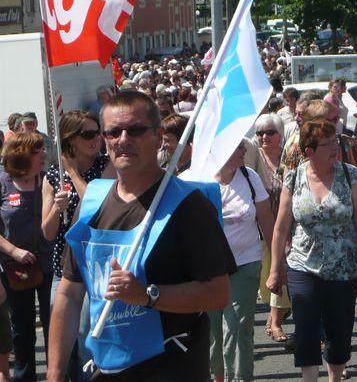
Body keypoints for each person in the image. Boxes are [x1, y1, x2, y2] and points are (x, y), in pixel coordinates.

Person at [48, 91, 236, 381]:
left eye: (135, 130)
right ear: (104, 139)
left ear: (158, 136)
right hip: (106, 367)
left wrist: (146, 295)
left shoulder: (189, 204)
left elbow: (218, 293)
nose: (123, 139)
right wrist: (55, 374)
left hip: (172, 366)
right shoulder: (92, 203)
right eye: (113, 132)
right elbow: (70, 295)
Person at [267, 121, 357, 382]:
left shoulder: (350, 175)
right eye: (328, 144)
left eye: (335, 141)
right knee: (305, 325)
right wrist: (274, 269)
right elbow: (280, 228)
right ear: (309, 151)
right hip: (303, 265)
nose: (335, 147)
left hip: (343, 267)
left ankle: (335, 376)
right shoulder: (293, 177)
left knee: (339, 331)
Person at [41, 110, 115, 382]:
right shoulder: (52, 175)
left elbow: (100, 206)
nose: (96, 139)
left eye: (98, 132)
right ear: (70, 139)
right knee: (61, 341)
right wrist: (55, 210)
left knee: (84, 336)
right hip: (63, 267)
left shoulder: (106, 165)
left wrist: (72, 172)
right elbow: (48, 233)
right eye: (88, 134)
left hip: (93, 267)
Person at [207, 143, 274, 382]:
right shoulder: (198, 179)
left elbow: (266, 219)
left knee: (238, 326)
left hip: (246, 262)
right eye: (238, 148)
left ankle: (239, 378)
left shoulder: (250, 177)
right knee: (212, 332)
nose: (245, 152)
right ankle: (216, 377)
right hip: (207, 270)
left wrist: (277, 262)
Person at [0, 132, 51, 382]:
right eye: (37, 151)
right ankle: (24, 377)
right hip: (14, 267)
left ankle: (57, 374)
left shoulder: (49, 179)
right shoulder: (3, 182)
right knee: (22, 328)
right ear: (22, 155)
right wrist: (14, 251)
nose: (44, 154)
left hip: (49, 263)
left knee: (53, 326)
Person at [251, 114, 292, 342]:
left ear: (280, 134)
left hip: (286, 227)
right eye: (260, 133)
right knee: (265, 280)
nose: (264, 137)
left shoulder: (288, 157)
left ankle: (275, 322)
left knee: (280, 271)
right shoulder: (252, 158)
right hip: (259, 228)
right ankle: (276, 312)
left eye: (269, 132)